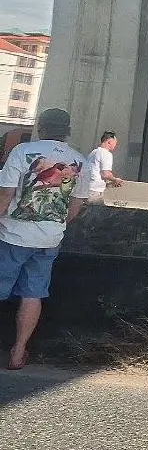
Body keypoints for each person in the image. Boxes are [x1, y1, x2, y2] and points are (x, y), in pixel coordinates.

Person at [0, 108, 89, 369]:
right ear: (68, 131)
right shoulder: (78, 161)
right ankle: (18, 352)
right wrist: (57, 225)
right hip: (49, 240)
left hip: (13, 235)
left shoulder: (22, 152)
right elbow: (76, 205)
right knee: (33, 293)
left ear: (40, 127)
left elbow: (6, 195)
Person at [82, 131, 125, 203]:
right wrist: (115, 180)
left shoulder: (93, 152)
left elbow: (94, 172)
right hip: (95, 191)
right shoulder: (106, 153)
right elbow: (106, 174)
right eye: (115, 142)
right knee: (97, 212)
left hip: (86, 188)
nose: (116, 144)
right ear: (109, 142)